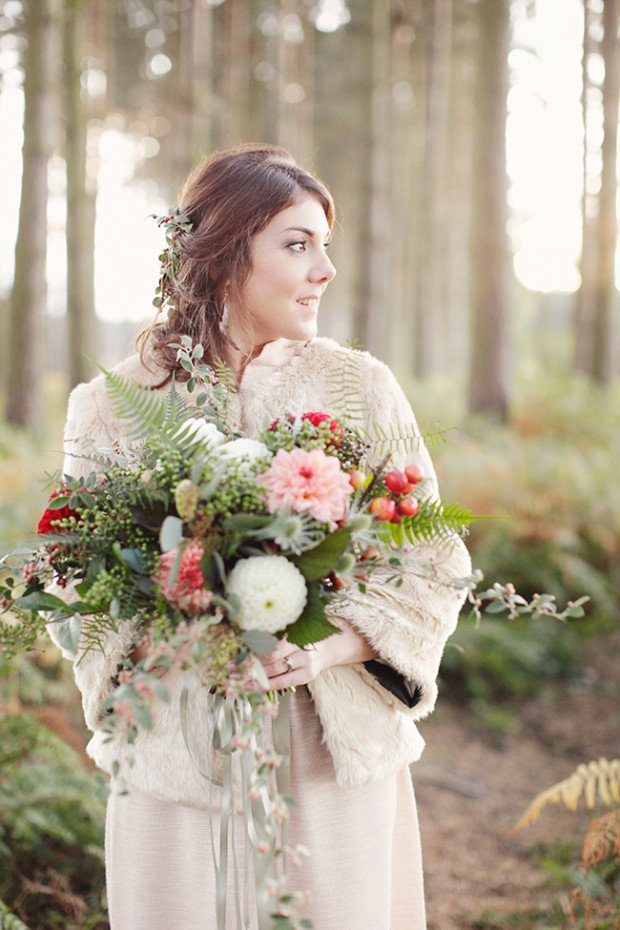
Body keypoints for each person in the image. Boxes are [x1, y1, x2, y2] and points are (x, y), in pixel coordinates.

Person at [52, 144, 471, 930]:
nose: (324, 270)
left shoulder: (362, 388)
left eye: (325, 246)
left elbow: (433, 561)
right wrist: (186, 633)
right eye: (296, 243)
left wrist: (324, 649)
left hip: (327, 758)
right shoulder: (111, 404)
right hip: (176, 758)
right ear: (222, 250)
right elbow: (75, 582)